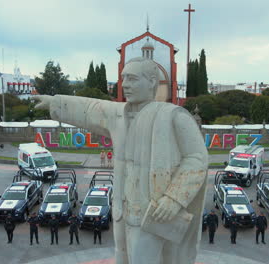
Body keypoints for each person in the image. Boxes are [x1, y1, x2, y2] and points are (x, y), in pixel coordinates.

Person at [35, 57, 208, 264]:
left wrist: (174, 198)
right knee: (123, 258)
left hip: (153, 212)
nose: (125, 84)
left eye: (133, 79)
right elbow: (91, 108)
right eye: (124, 78)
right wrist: (55, 103)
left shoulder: (174, 115)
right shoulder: (117, 114)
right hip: (122, 211)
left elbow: (197, 157)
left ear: (152, 82)